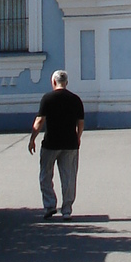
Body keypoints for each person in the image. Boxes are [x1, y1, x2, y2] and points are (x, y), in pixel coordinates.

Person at [29, 69, 85, 219]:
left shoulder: (47, 98)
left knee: (45, 175)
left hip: (50, 143)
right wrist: (78, 137)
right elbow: (80, 123)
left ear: (54, 82)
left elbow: (39, 121)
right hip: (70, 144)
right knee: (69, 177)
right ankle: (66, 210)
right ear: (66, 83)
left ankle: (49, 205)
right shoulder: (76, 99)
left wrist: (32, 139)